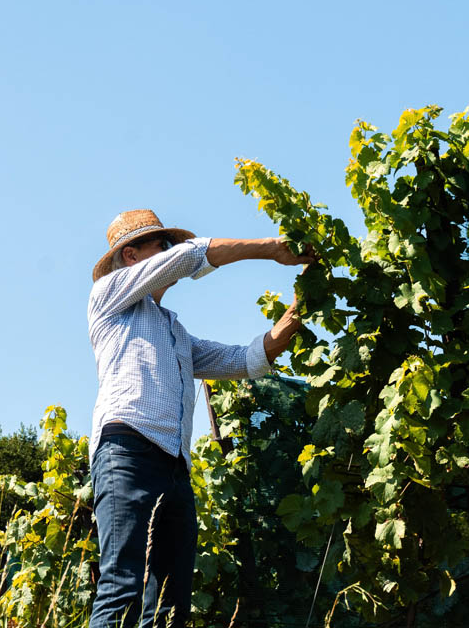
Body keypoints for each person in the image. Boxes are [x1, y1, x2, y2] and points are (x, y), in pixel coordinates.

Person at [86, 209, 313, 627]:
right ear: (133, 256)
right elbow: (191, 256)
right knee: (123, 586)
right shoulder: (109, 296)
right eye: (161, 245)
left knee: (171, 604)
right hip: (128, 451)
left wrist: (300, 309)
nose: (170, 252)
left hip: (174, 467)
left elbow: (245, 360)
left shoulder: (175, 332)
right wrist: (272, 249)